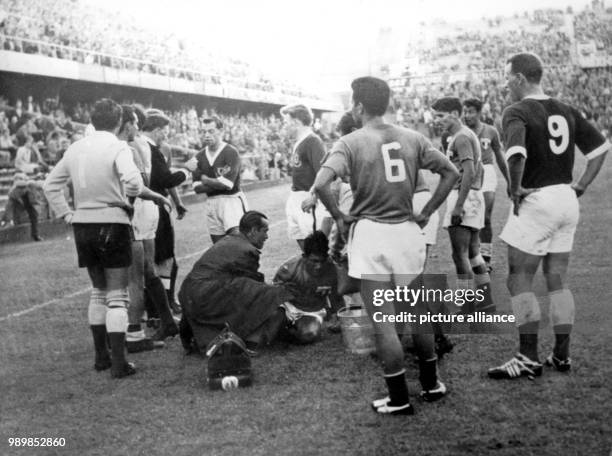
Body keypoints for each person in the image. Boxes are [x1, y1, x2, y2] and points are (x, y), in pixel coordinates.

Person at [313, 77, 459, 415]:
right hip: (407, 231)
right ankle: (432, 384)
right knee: (417, 311)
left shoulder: (349, 142)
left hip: (372, 234)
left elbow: (321, 183)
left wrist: (339, 215)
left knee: (383, 320)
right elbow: (451, 173)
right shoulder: (413, 137)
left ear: (360, 106)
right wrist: (427, 211)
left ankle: (398, 398)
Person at [488, 53, 610, 380]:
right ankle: (561, 354)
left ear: (519, 78)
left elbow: (516, 155)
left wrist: (515, 189)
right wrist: (581, 184)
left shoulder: (516, 110)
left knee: (519, 278)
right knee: (557, 280)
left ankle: (527, 357)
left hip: (538, 199)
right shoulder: (566, 109)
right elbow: (600, 150)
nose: (505, 84)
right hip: (566, 199)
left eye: (507, 77)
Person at [43, 99, 146, 378]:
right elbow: (135, 182)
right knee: (117, 296)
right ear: (117, 122)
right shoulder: (117, 146)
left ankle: (102, 356)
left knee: (98, 291)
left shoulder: (76, 147)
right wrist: (127, 200)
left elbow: (50, 185)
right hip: (112, 222)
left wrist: (66, 214)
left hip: (82, 225)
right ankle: (118, 363)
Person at [178, 211, 289, 355]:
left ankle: (197, 336)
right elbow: (253, 289)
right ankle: (249, 341)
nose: (267, 236)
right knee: (269, 294)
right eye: (264, 231)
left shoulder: (231, 239)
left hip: (188, 293)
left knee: (246, 288)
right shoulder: (247, 250)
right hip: (204, 296)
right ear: (254, 231)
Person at [431, 97, 494, 314]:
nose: (436, 120)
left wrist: (459, 205)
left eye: (440, 116)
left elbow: (469, 170)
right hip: (472, 197)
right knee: (474, 253)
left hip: (463, 197)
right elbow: (478, 170)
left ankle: (466, 303)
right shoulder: (465, 135)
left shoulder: (461, 138)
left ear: (455, 114)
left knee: (459, 254)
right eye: (435, 116)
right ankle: (486, 300)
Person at [117, 105, 170, 353]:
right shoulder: (139, 145)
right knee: (146, 270)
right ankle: (166, 320)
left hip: (137, 208)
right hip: (146, 206)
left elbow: (140, 184)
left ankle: (130, 332)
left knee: (133, 276)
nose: (137, 127)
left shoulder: (130, 146)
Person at [142, 108, 189, 340]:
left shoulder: (138, 146)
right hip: (155, 208)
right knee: (163, 260)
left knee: (154, 261)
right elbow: (166, 179)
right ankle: (163, 312)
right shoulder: (151, 149)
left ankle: (157, 311)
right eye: (164, 132)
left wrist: (178, 202)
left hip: (144, 209)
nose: (165, 136)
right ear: (157, 129)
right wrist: (188, 170)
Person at [463, 98, 510, 271]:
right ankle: (473, 257)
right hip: (467, 175)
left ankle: (486, 258)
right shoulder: (461, 133)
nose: (467, 115)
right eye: (465, 112)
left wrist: (510, 182)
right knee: (468, 219)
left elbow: (500, 158)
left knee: (486, 217)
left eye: (471, 112)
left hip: (487, 172)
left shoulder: (490, 131)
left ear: (479, 112)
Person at [185, 116, 248, 244]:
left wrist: (205, 179)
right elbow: (197, 188)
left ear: (221, 131)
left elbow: (227, 185)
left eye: (211, 131)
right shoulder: (200, 156)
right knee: (219, 248)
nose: (207, 135)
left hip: (231, 202)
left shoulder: (230, 152)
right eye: (204, 132)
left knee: (238, 245)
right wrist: (217, 182)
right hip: (211, 202)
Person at [273, 231, 344, 344]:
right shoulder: (288, 269)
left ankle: (289, 331)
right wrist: (290, 293)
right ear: (304, 256)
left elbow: (337, 296)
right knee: (272, 324)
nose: (319, 266)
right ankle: (283, 327)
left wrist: (340, 317)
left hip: (311, 311)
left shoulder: (332, 268)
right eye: (314, 261)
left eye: (322, 261)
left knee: (309, 335)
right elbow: (273, 296)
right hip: (288, 306)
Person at [281, 104, 330, 251]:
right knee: (303, 244)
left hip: (308, 199)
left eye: (286, 122)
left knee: (315, 249)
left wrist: (314, 197)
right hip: (296, 196)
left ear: (296, 122)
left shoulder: (313, 142)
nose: (284, 126)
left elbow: (324, 173)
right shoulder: (299, 142)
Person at [0, 172, 43, 241]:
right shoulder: (27, 186)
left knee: (33, 215)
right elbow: (32, 200)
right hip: (16, 199)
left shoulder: (28, 185)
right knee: (9, 217)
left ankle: (35, 235)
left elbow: (31, 200)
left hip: (22, 198)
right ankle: (34, 235)